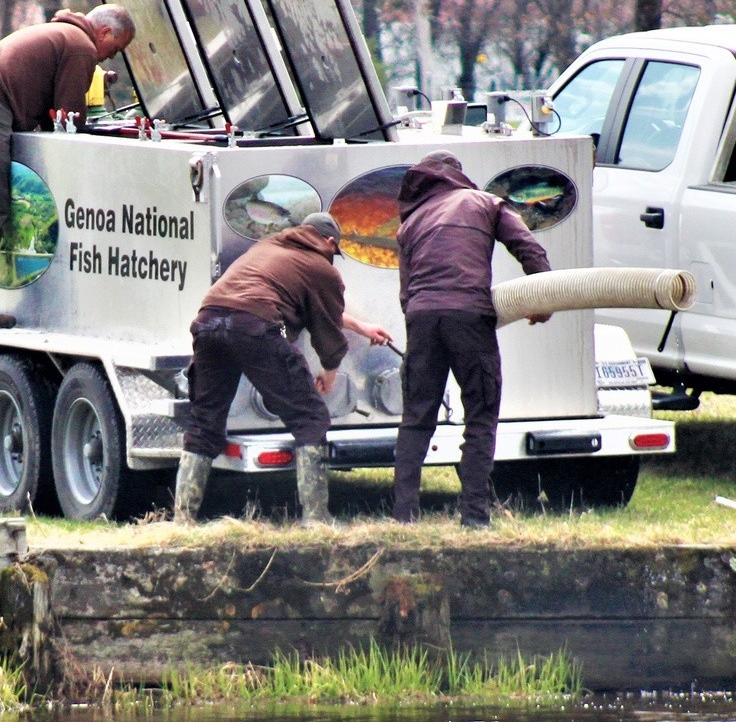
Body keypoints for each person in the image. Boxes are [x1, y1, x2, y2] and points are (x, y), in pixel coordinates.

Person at [0, 5, 136, 331]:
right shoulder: (81, 46)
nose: (108, 59)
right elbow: (68, 119)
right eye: (114, 49)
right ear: (104, 32)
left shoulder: (60, 32)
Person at [174, 212, 392, 525]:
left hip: (209, 322)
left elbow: (299, 301)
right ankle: (316, 518)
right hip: (254, 326)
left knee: (205, 420)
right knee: (311, 417)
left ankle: (183, 518)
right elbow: (325, 328)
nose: (333, 257)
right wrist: (329, 374)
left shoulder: (266, 249)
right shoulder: (320, 267)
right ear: (329, 242)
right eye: (335, 251)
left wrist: (360, 325)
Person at [391, 150, 552, 527]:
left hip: (422, 317)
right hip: (469, 314)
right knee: (480, 416)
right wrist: (542, 300)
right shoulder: (487, 203)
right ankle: (475, 517)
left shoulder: (410, 223)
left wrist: (422, 326)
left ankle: (404, 517)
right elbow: (529, 249)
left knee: (416, 419)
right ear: (457, 177)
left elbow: (405, 293)